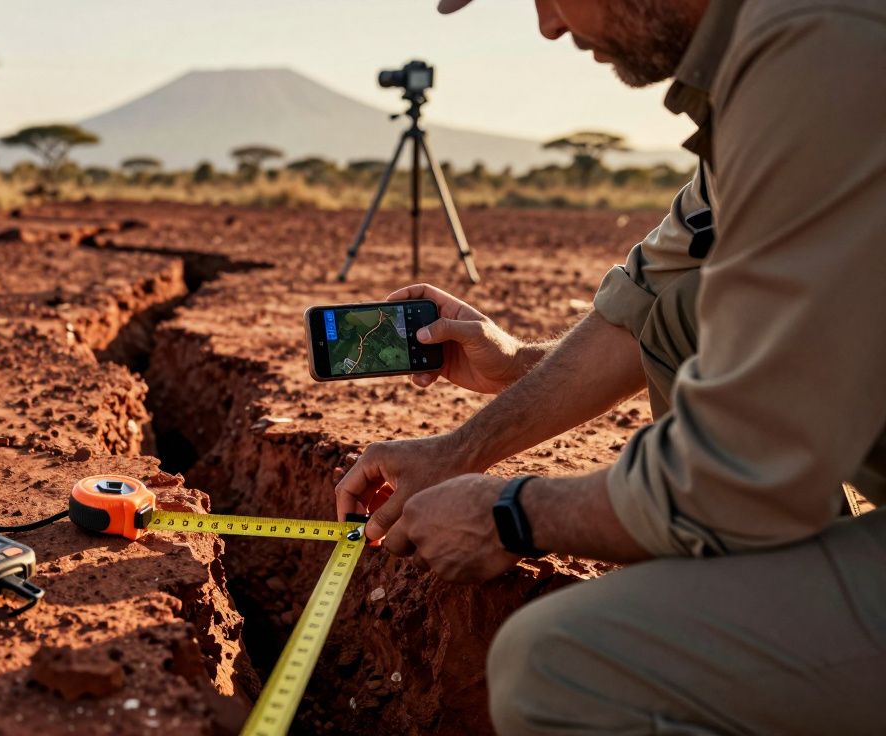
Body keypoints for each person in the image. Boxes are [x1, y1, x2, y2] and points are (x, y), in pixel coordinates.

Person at [334, 0, 886, 732]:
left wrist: (508, 514)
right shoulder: (761, 54)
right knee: (685, 310)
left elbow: (733, 469)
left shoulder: (816, 47)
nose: (547, 27)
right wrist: (474, 428)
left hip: (751, 476)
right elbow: (648, 300)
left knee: (555, 663)